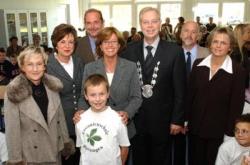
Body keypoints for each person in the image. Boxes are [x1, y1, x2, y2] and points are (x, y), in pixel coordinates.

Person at [121, 7, 186, 165]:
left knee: (161, 160)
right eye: (145, 22)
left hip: (163, 121)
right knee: (139, 159)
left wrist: (177, 120)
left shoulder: (175, 52)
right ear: (140, 25)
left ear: (160, 23)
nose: (150, 26)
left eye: (154, 21)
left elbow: (180, 89)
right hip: (136, 120)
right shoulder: (129, 51)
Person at [4, 45, 74, 164]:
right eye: (30, 64)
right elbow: (12, 131)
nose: (35, 69)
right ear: (22, 67)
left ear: (44, 66)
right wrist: (16, 160)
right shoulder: (14, 91)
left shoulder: (53, 86)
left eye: (39, 64)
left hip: (55, 151)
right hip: (31, 157)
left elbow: (60, 118)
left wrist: (66, 143)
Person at [187, 27, 246, 165]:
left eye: (223, 43)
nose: (218, 46)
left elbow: (236, 105)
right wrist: (186, 120)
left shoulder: (238, 71)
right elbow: (190, 95)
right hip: (195, 127)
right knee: (194, 160)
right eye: (215, 41)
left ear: (230, 47)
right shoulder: (197, 64)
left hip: (219, 131)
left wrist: (230, 133)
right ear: (209, 44)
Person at [170, 20, 210, 165]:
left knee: (196, 149)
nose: (189, 35)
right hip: (176, 108)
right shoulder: (171, 53)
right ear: (180, 34)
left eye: (194, 32)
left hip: (199, 109)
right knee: (177, 148)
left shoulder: (208, 54)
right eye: (186, 31)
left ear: (199, 36)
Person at [47, 23, 84, 165]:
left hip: (81, 119)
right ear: (56, 44)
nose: (67, 46)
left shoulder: (79, 61)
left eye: (71, 42)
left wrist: (81, 109)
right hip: (60, 123)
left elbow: (83, 90)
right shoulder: (48, 65)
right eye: (62, 42)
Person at [76, 74, 130, 165]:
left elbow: (124, 147)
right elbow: (81, 147)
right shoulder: (80, 120)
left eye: (101, 94)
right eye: (93, 95)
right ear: (86, 96)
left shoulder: (117, 119)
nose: (97, 99)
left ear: (108, 94)